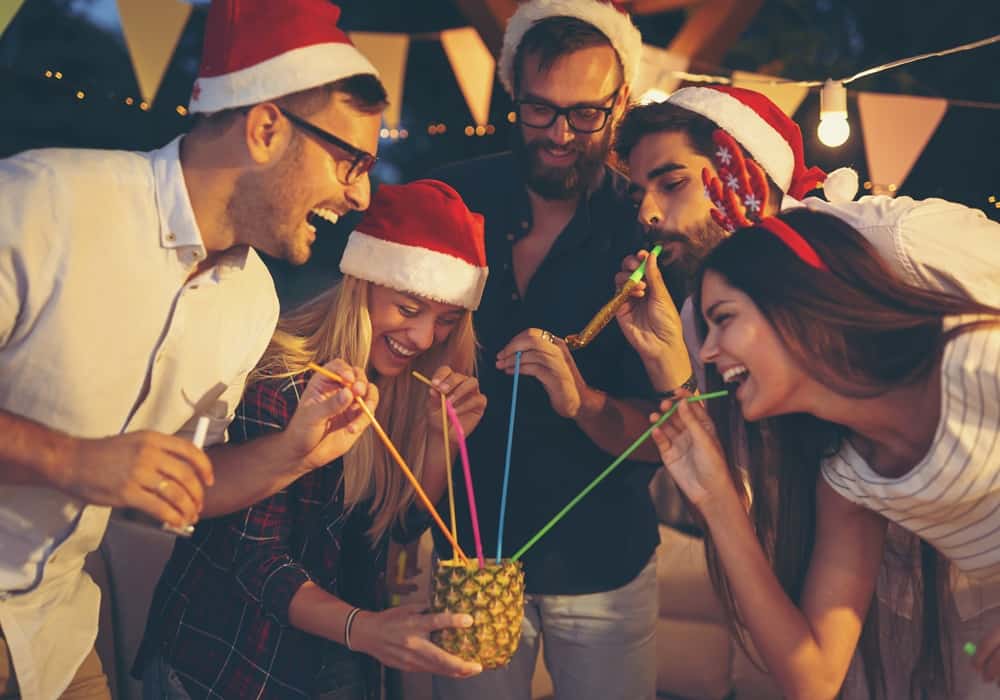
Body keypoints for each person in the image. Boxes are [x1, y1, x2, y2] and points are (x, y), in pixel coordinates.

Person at [0, 1, 387, 697]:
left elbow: (176, 495)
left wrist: (296, 450)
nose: (360, 194)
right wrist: (75, 460)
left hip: (54, 637)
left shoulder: (252, 301)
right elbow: (99, 470)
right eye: (351, 160)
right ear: (267, 127)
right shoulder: (43, 202)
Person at [610, 86, 1000, 697]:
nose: (648, 215)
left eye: (673, 182)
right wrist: (714, 494)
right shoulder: (851, 479)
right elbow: (812, 677)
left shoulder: (939, 303)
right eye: (639, 194)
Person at [134, 180, 490, 699]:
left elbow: (399, 529)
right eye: (409, 310)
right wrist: (367, 630)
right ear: (361, 286)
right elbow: (256, 562)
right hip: (231, 662)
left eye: (447, 321)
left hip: (341, 663)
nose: (423, 338)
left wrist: (439, 442)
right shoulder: (282, 382)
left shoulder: (407, 390)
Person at [428, 2, 661, 699]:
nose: (561, 134)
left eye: (587, 113)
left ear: (619, 103)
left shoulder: (645, 223)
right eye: (540, 109)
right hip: (465, 555)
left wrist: (584, 401)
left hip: (603, 565)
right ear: (512, 93)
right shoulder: (455, 197)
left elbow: (668, 428)